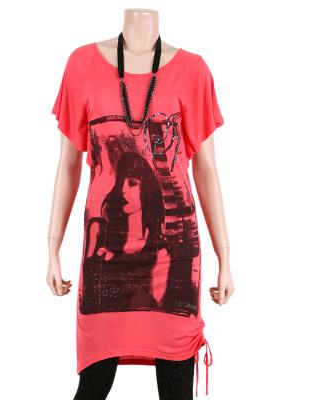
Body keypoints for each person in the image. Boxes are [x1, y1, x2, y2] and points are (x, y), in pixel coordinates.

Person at [47, 9, 234, 400]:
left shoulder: (194, 70)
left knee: (176, 388)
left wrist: (225, 256)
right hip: (104, 262)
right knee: (94, 382)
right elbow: (67, 165)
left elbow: (206, 168)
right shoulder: (81, 65)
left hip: (174, 259)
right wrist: (53, 248)